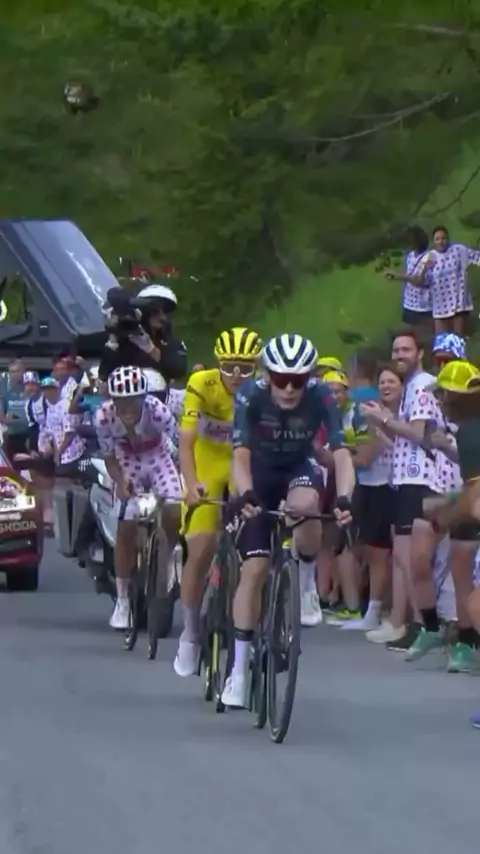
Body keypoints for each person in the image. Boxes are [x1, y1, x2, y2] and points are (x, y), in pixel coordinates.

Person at [221, 333, 355, 708]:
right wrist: (246, 492)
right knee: (254, 569)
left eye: (299, 380)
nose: (290, 389)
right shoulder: (251, 394)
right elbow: (240, 456)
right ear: (268, 375)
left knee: (307, 505)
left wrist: (345, 496)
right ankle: (238, 671)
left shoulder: (321, 395)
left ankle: (306, 581)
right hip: (258, 471)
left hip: (298, 466)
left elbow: (341, 454)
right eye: (282, 379)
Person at [175, 327, 262, 677]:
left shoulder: (263, 389)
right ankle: (190, 631)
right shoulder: (202, 383)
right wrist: (191, 482)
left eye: (246, 368)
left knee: (256, 547)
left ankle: (251, 624)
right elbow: (186, 439)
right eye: (229, 367)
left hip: (243, 462)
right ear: (217, 363)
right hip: (207, 463)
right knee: (200, 547)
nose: (237, 375)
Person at [361, 331, 444, 646]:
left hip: (419, 477)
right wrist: (382, 423)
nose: (400, 355)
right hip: (407, 476)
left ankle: (420, 625)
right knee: (403, 553)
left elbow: (419, 434)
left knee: (411, 555)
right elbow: (408, 437)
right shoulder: (412, 386)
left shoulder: (422, 385)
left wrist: (383, 419)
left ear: (419, 353)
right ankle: (409, 624)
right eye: (396, 350)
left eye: (406, 349)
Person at [94, 366, 182, 629]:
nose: (128, 409)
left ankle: (167, 555)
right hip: (127, 459)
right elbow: (109, 458)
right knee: (126, 522)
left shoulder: (157, 411)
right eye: (122, 402)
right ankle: (122, 600)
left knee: (175, 505)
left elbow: (182, 444)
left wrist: (186, 474)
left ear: (144, 398)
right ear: (113, 401)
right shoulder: (103, 417)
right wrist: (121, 483)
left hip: (157, 457)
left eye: (134, 402)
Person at [346, 364, 403, 632]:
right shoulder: (370, 411)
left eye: (391, 382)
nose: (385, 386)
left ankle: (377, 611)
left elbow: (367, 455)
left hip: (386, 485)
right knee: (366, 549)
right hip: (366, 485)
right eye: (382, 382)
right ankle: (374, 609)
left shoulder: (394, 415)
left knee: (380, 553)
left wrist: (337, 457)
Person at [98, 284, 187, 384]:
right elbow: (104, 375)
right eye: (155, 312)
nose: (162, 317)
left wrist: (150, 348)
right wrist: (113, 339)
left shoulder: (171, 343)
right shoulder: (124, 341)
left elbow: (177, 371)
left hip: (159, 392)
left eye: (165, 312)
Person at [427, 225, 480, 336]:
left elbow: (476, 257)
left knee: (457, 340)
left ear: (448, 239)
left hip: (459, 306)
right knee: (441, 342)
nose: (441, 242)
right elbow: (422, 281)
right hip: (440, 308)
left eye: (443, 238)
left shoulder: (459, 250)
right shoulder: (430, 257)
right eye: (437, 239)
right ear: (433, 241)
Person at [384, 225, 433, 326]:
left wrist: (399, 277)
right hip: (409, 304)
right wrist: (395, 276)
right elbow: (410, 274)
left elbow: (420, 281)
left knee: (424, 332)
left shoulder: (429, 257)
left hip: (423, 306)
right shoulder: (410, 256)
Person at [0, 359, 30, 459]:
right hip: (12, 435)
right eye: (12, 372)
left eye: (18, 371)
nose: (15, 374)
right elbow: (2, 416)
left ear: (23, 371)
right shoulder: (5, 391)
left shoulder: (30, 387)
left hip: (30, 433)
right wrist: (6, 419)